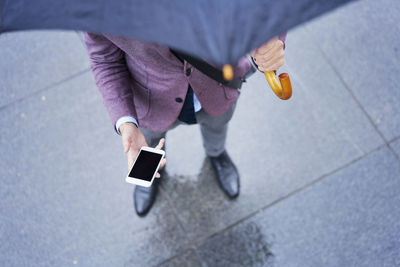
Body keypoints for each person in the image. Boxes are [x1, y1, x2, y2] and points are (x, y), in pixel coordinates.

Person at [84, 33, 286, 216]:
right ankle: (148, 175)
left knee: (217, 127)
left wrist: (271, 42)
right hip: (149, 98)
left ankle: (217, 155)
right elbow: (104, 60)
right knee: (148, 143)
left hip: (218, 83)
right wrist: (126, 121)